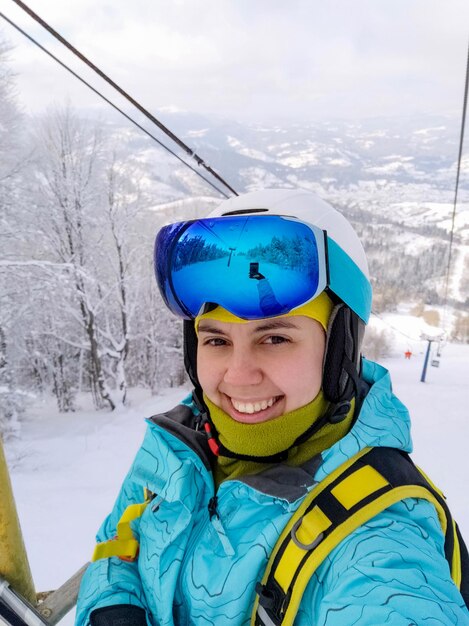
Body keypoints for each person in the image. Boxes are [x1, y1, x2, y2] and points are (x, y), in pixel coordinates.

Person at [75, 189, 469, 626]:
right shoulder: (175, 448)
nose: (239, 376)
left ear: (339, 349)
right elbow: (118, 540)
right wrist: (113, 604)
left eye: (275, 338)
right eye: (217, 340)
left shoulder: (381, 541)